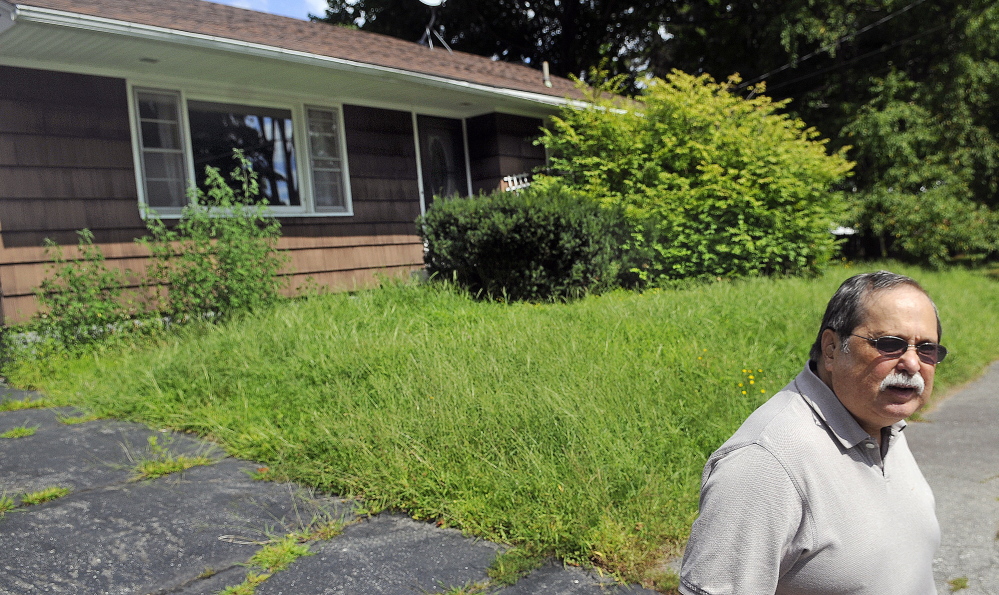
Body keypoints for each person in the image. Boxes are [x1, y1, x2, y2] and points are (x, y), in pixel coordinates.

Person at [679, 271, 944, 594]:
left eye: (927, 349)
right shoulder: (766, 462)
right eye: (889, 344)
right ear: (831, 349)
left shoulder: (881, 423)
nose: (912, 364)